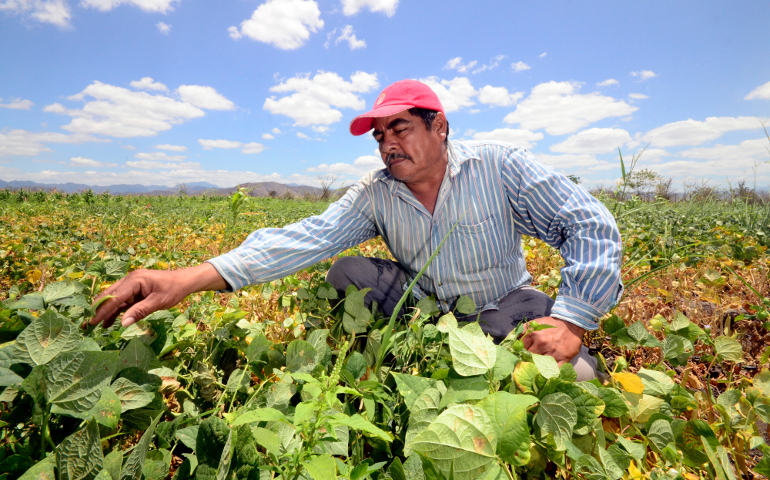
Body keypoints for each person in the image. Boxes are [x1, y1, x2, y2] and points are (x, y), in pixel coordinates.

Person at [89, 80, 623, 380]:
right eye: (380, 135)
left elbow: (588, 224)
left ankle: (549, 355)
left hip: (505, 301)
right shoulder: (376, 191)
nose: (388, 143)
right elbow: (306, 238)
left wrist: (573, 319)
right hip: (429, 309)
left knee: (574, 379)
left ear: (439, 127)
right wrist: (190, 277)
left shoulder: (498, 166)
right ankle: (398, 361)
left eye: (401, 128)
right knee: (346, 270)